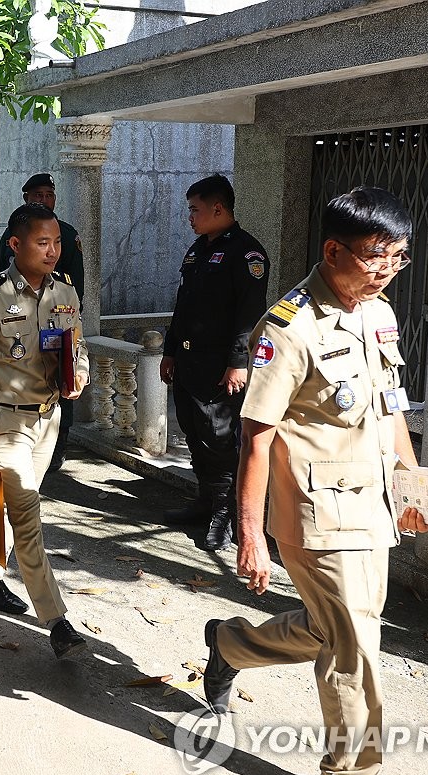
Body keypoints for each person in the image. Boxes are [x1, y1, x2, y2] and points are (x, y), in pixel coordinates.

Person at [202, 187, 428, 775]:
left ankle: (230, 644)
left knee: (338, 630)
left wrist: (415, 489)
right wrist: (249, 536)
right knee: (356, 647)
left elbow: (389, 412)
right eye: (374, 257)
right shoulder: (289, 326)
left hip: (374, 507)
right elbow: (256, 436)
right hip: (316, 514)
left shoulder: (377, 313)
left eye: (398, 258)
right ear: (333, 251)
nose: (387, 271)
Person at [0, 203, 90, 659]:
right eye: (42, 243)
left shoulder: (64, 291)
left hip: (48, 418)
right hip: (4, 423)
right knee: (28, 515)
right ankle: (56, 620)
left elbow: (79, 344)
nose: (53, 252)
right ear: (16, 245)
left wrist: (80, 376)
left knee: (9, 509)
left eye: (56, 243)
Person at [160, 174, 270, 551]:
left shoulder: (246, 253)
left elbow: (249, 315)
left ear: (217, 208)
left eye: (195, 209)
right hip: (189, 363)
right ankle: (205, 502)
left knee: (220, 440)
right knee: (194, 434)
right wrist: (170, 349)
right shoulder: (198, 250)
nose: (190, 217)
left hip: (220, 367)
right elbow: (184, 307)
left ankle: (224, 514)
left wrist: (239, 362)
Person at [0, 172, 84, 472]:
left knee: (62, 377)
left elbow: (75, 286)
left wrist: (65, 315)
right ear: (26, 199)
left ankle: (59, 443)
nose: (45, 200)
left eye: (49, 194)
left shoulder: (68, 235)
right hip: (18, 324)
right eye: (38, 195)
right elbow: (1, 281)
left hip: (56, 318)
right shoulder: (14, 235)